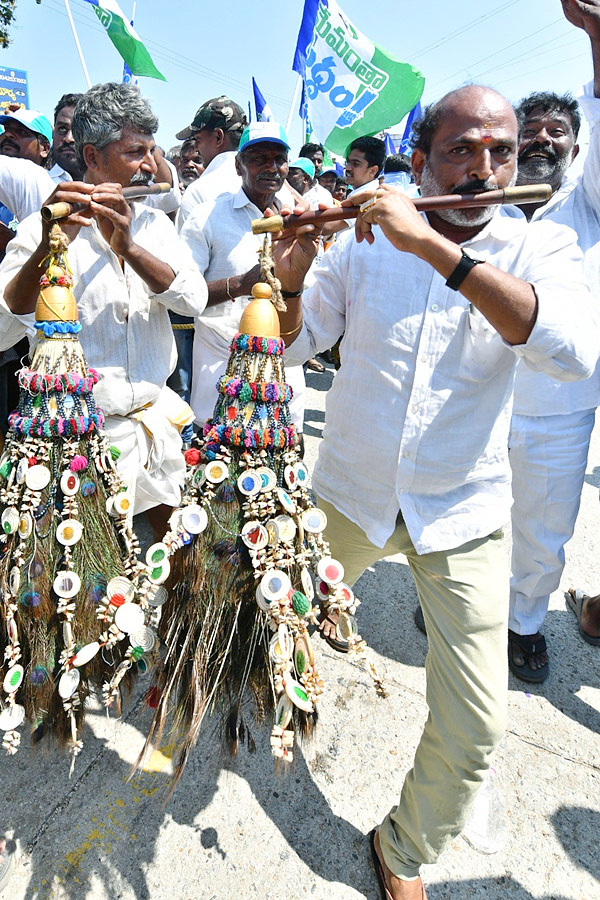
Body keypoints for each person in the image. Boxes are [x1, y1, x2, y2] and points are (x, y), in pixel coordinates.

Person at [271, 84, 598, 899]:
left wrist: (438, 253)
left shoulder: (540, 246)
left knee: (478, 723)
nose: (484, 170)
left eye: (501, 152)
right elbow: (293, 343)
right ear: (420, 162)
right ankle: (242, 687)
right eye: (461, 151)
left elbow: (569, 352)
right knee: (268, 610)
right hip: (347, 489)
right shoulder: (361, 241)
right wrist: (289, 276)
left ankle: (404, 846)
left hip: (463, 510)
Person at [0, 81, 207, 532]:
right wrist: (49, 244)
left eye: (151, 151)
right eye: (135, 152)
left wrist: (129, 248)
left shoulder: (152, 224)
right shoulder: (49, 219)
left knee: (169, 565)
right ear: (92, 157)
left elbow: (194, 300)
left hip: (156, 431)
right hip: (74, 448)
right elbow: (3, 326)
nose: (150, 165)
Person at [504, 0, 600, 677]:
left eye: (557, 129)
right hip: (478, 397)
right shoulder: (481, 206)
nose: (542, 138)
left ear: (578, 142)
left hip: (558, 406)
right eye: (528, 130)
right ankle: (465, 605)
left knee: (542, 530)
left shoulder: (588, 202)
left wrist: (597, 35)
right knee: (464, 517)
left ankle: (524, 624)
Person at [181, 121, 306, 444]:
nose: (271, 167)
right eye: (259, 158)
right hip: (220, 375)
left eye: (278, 159)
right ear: (238, 165)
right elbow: (183, 296)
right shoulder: (208, 217)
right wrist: (240, 284)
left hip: (280, 375)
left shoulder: (300, 221)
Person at [177, 95, 248, 225]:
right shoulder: (270, 184)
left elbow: (187, 245)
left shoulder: (199, 192)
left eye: (198, 139)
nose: (197, 148)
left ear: (218, 137)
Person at [49, 92, 84, 182]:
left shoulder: (113, 184)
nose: (68, 138)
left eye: (78, 130)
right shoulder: (37, 185)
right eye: (62, 129)